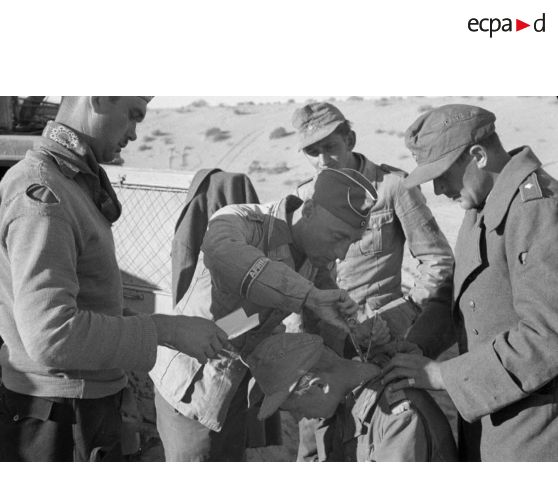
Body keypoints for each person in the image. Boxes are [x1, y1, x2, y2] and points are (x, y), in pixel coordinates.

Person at [0, 96, 228, 462]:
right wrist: (166, 330)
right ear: (100, 97)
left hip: (78, 408)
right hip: (59, 417)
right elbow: (51, 336)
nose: (135, 134)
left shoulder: (71, 183)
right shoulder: (46, 192)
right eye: (133, 115)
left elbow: (88, 302)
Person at [150, 167, 376, 461]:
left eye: (351, 242)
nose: (342, 253)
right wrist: (306, 296)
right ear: (308, 210)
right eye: (337, 237)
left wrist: (354, 324)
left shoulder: (316, 254)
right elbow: (226, 258)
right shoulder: (241, 222)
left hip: (234, 388)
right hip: (191, 387)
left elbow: (318, 306)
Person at [382, 104, 558, 461]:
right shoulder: (483, 203)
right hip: (494, 420)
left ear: (477, 155)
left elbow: (547, 335)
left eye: (443, 173)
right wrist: (416, 348)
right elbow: (459, 294)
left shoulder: (537, 209)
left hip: (535, 433)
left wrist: (443, 375)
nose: (438, 187)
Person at [291, 102, 455, 460]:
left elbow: (438, 260)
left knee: (375, 442)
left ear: (349, 139)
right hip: (322, 354)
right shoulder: (305, 196)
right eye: (312, 152)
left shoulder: (392, 187)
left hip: (376, 350)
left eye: (330, 147)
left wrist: (401, 316)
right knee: (316, 448)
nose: (322, 160)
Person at [247, 332, 457, 462]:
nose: (300, 417)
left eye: (297, 408)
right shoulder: (340, 400)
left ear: (320, 385)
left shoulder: (399, 417)